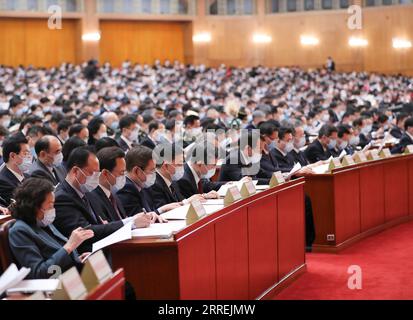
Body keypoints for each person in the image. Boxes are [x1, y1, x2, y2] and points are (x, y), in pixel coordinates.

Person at [53, 146, 151, 253]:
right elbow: (85, 232)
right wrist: (130, 222)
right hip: (87, 256)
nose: (96, 178)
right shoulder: (62, 198)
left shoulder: (86, 191)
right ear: (76, 171)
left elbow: (102, 225)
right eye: (92, 173)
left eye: (97, 173)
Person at [8, 178, 94, 279]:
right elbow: (39, 273)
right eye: (50, 206)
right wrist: (69, 246)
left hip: (70, 277)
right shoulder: (19, 231)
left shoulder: (42, 221)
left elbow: (57, 254)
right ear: (35, 206)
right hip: (56, 287)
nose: (53, 210)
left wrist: (77, 259)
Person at [88, 146, 165, 224]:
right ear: (105, 173)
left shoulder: (112, 194)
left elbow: (126, 219)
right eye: (122, 172)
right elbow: (109, 228)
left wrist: (150, 214)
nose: (124, 176)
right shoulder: (94, 198)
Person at [117, 146, 182, 217]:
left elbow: (149, 211)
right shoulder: (126, 189)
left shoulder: (140, 185)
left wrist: (162, 209)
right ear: (137, 171)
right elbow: (140, 220)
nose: (155, 173)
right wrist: (161, 210)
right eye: (152, 170)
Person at [150, 143, 203, 209]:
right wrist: (186, 202)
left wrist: (202, 197)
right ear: (166, 166)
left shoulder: (173, 180)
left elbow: (180, 200)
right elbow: (164, 210)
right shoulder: (154, 184)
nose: (182, 168)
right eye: (179, 164)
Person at [0, 135, 31, 206]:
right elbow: (23, 206)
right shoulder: (3, 181)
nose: (29, 157)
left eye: (29, 153)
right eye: (25, 153)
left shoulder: (28, 176)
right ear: (13, 156)